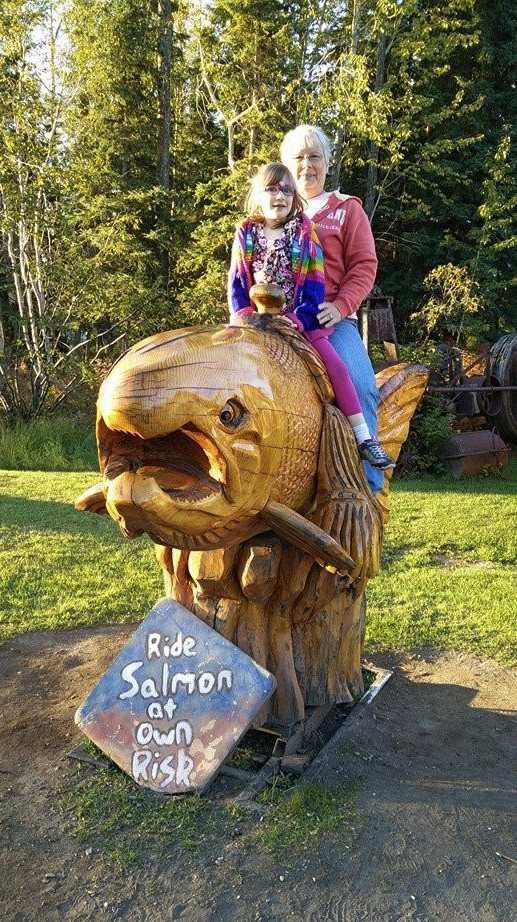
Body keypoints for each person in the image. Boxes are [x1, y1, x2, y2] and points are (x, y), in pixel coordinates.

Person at [228, 162, 395, 470]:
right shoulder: (246, 233)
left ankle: (363, 439)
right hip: (254, 322)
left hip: (300, 319)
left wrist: (302, 319)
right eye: (272, 190)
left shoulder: (307, 231)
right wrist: (245, 317)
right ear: (258, 195)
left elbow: (315, 285)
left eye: (286, 190)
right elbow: (238, 282)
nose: (280, 196)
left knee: (340, 369)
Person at [280, 125, 387, 493]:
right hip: (277, 321)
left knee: (360, 385)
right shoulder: (275, 209)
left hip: (330, 322)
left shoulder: (346, 209)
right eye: (298, 158)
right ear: (285, 165)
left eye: (314, 157)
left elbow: (363, 266)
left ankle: (368, 491)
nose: (306, 165)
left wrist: (340, 308)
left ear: (328, 163)